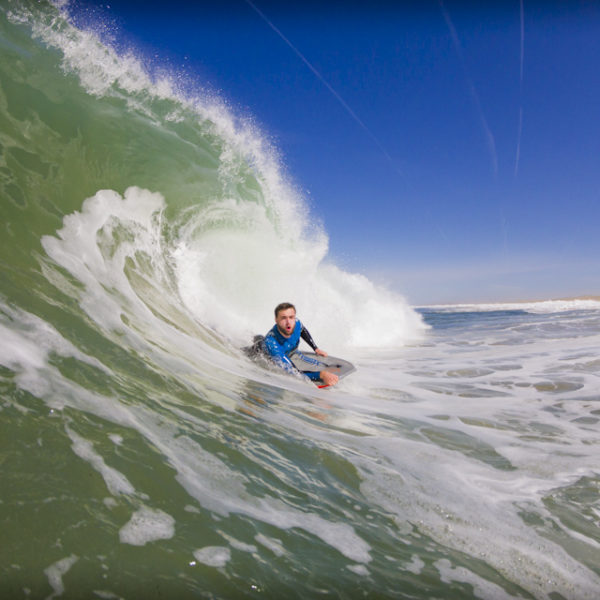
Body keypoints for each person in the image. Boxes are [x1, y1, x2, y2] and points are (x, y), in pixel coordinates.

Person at [254, 302, 339, 387]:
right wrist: (321, 375)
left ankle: (258, 337)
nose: (288, 322)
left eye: (291, 317)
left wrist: (315, 348)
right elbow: (293, 373)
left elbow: (302, 330)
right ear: (276, 320)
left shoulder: (296, 323)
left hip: (287, 352)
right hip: (258, 352)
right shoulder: (272, 344)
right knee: (259, 345)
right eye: (283, 318)